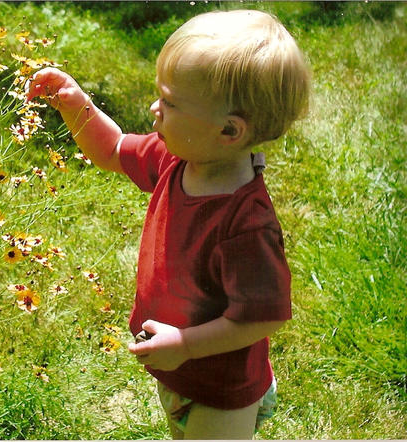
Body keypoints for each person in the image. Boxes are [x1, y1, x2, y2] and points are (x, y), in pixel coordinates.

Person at [27, 8, 310, 439]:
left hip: (222, 388)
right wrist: (76, 104)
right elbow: (112, 149)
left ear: (229, 132)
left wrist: (187, 345)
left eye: (171, 102)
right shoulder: (175, 159)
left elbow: (262, 318)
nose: (154, 109)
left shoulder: (246, 224)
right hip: (176, 367)